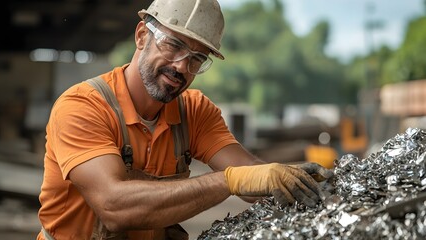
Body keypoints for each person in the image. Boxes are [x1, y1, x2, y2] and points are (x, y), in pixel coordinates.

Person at [37, 0, 334, 239]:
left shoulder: (194, 110)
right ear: (142, 36)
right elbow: (114, 206)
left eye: (196, 58)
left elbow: (250, 175)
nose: (181, 66)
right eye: (174, 45)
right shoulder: (83, 106)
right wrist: (229, 181)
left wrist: (291, 181)